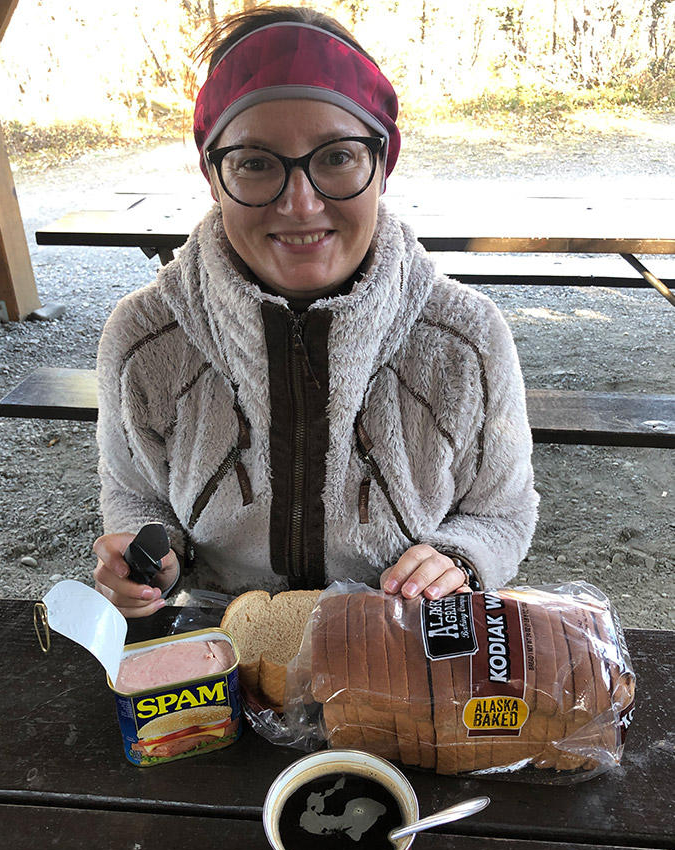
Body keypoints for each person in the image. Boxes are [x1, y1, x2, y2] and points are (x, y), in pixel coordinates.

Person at [93, 4, 538, 618]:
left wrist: (458, 558)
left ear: (381, 164)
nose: (300, 205)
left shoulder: (468, 338)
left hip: (394, 643)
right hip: (223, 643)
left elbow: (502, 512)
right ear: (214, 177)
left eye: (336, 157)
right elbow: (134, 492)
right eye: (255, 163)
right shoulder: (145, 337)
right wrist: (150, 559)